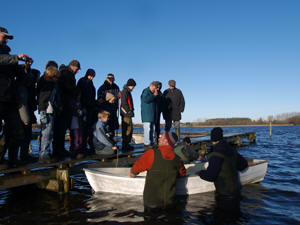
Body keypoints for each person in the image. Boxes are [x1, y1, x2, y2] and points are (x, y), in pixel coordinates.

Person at [129, 132, 186, 213]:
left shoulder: (151, 154)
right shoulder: (178, 159)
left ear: (166, 142)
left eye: (161, 138)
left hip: (152, 204)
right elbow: (182, 174)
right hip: (170, 203)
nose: (159, 139)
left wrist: (132, 173)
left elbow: (134, 170)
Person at [0, 26, 32, 167]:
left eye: (8, 37)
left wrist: (25, 66)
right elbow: (4, 60)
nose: (7, 39)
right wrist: (15, 58)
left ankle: (11, 159)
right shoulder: (8, 56)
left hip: (9, 97)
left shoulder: (8, 54)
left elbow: (16, 72)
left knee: (15, 130)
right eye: (4, 36)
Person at [198, 127, 248, 200]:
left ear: (212, 140)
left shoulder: (215, 155)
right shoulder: (232, 150)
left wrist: (200, 173)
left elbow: (211, 176)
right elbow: (243, 165)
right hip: (237, 192)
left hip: (225, 195)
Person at [53, 59, 80, 160]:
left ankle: (60, 149)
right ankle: (58, 151)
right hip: (64, 105)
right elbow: (68, 89)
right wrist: (76, 91)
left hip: (65, 105)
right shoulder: (67, 74)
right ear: (73, 66)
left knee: (62, 129)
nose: (77, 71)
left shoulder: (65, 73)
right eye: (77, 69)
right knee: (60, 129)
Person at [37, 64, 60, 163]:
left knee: (48, 134)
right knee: (46, 134)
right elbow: (42, 99)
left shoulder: (47, 83)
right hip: (47, 111)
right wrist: (42, 112)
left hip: (49, 110)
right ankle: (44, 155)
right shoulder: (48, 85)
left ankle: (45, 153)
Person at [77, 68, 96, 153]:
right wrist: (82, 106)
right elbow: (80, 95)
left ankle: (88, 145)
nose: (91, 78)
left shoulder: (91, 83)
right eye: (90, 76)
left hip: (91, 108)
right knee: (83, 128)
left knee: (89, 128)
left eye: (93, 76)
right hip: (84, 108)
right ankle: (82, 147)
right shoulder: (82, 81)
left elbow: (92, 96)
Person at [97, 73, 120, 138]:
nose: (111, 81)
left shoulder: (116, 87)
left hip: (114, 110)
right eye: (110, 79)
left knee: (113, 128)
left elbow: (118, 97)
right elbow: (99, 100)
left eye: (112, 80)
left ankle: (113, 143)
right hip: (105, 111)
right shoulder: (102, 88)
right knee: (106, 128)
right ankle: (106, 144)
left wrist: (117, 104)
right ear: (106, 78)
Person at [140, 81, 159, 148]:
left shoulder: (152, 93)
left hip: (151, 115)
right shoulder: (146, 91)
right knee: (147, 129)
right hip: (147, 115)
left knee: (151, 129)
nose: (156, 89)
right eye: (156, 88)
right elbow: (145, 99)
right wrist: (154, 95)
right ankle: (147, 143)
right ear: (152, 86)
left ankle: (151, 142)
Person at [120, 78, 136, 152]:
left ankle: (127, 144)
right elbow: (124, 103)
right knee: (126, 129)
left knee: (129, 129)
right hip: (126, 114)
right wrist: (128, 111)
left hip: (128, 114)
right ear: (130, 85)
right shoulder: (125, 92)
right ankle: (125, 145)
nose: (133, 88)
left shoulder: (127, 92)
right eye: (133, 86)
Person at [69, 90, 84, 159]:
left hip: (79, 122)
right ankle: (74, 151)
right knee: (75, 137)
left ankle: (79, 150)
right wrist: (79, 112)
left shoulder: (79, 103)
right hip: (74, 122)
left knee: (80, 137)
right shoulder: (73, 102)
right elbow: (73, 111)